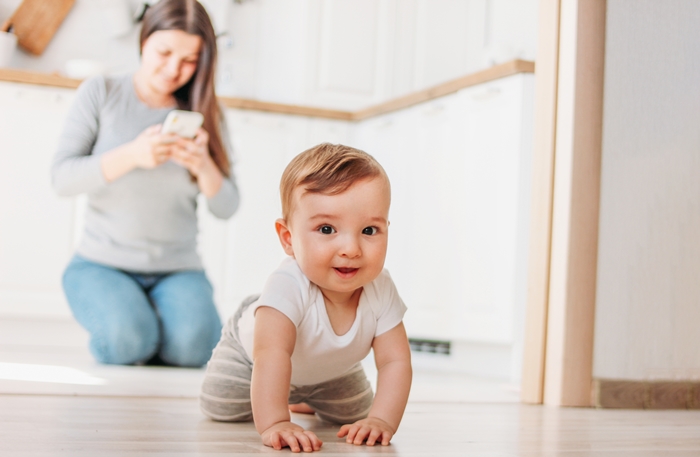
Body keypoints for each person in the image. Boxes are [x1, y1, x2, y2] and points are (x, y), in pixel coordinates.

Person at [51, 0, 239, 368]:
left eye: (189, 60)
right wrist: (133, 156)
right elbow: (62, 178)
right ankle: (139, 327)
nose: (173, 70)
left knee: (195, 349)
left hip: (178, 268)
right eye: (164, 52)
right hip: (101, 263)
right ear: (143, 41)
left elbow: (227, 206)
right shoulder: (101, 91)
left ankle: (150, 325)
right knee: (127, 342)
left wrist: (204, 166)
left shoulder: (207, 112)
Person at [200, 143, 412, 452]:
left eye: (369, 230)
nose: (351, 249)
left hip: (331, 370)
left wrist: (382, 421)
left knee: (357, 416)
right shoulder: (288, 285)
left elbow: (395, 361)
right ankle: (286, 390)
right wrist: (275, 422)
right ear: (288, 238)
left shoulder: (381, 288)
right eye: (327, 229)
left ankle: (301, 395)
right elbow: (272, 354)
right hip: (253, 355)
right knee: (221, 405)